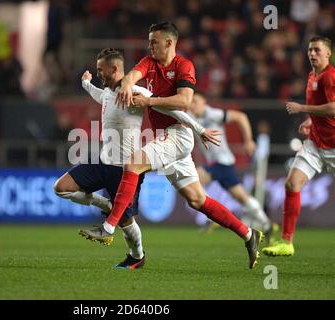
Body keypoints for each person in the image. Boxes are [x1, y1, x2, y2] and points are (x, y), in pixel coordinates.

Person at [79, 22, 264, 269]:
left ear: (169, 42)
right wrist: (126, 83)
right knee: (197, 200)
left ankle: (109, 226)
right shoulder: (149, 62)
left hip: (178, 134)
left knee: (132, 164)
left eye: (154, 41)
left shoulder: (183, 66)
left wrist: (150, 101)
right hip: (165, 137)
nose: (150, 46)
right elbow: (134, 74)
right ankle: (249, 234)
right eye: (149, 41)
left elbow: (184, 100)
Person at [54, 48, 217, 269]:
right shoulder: (107, 92)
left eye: (101, 70)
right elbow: (97, 94)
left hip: (124, 168)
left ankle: (137, 255)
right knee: (61, 188)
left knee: (126, 222)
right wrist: (86, 82)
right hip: (101, 161)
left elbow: (174, 110)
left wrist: (199, 129)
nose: (99, 73)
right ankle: (107, 205)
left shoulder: (136, 93)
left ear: (114, 69)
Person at [263, 36, 335, 257]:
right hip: (315, 143)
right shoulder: (312, 75)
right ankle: (286, 243)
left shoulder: (330, 76)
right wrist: (311, 119)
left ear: (328, 53)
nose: (312, 54)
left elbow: (333, 108)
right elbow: (320, 109)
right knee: (292, 184)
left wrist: (302, 108)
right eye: (310, 50)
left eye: (317, 50)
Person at [188, 93, 276, 242]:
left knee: (191, 182)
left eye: (196, 101)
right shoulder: (191, 116)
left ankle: (214, 216)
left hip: (221, 163)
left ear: (204, 102)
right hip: (218, 164)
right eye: (191, 102)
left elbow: (241, 117)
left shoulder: (212, 113)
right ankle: (267, 225)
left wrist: (248, 140)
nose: (192, 104)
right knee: (242, 198)